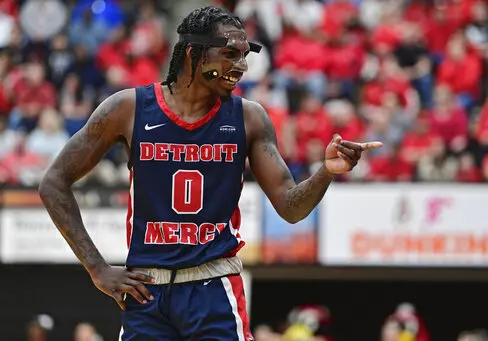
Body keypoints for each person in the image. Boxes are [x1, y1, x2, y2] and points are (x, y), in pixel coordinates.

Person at [38, 6, 382, 341]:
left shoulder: (249, 118)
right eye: (230, 54)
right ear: (193, 52)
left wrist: (325, 171)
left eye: (245, 56)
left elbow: (291, 208)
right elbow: (54, 183)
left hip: (214, 284)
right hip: (147, 291)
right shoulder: (128, 108)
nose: (242, 66)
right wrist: (97, 269)